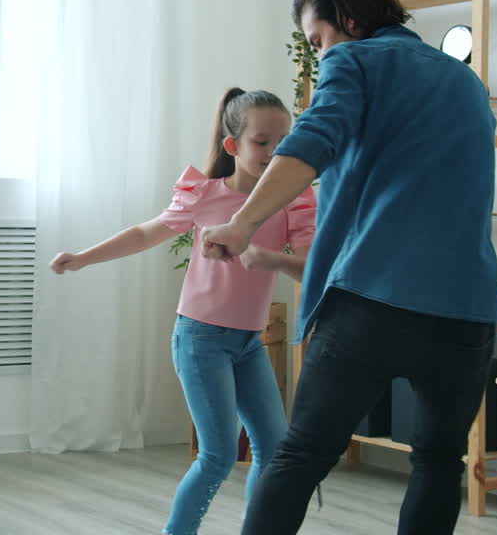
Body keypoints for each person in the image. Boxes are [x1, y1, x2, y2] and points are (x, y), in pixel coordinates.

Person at [201, 0, 497, 535]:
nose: (320, 54)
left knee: (301, 457)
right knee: (439, 463)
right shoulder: (466, 81)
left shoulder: (355, 59)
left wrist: (242, 223)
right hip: (468, 309)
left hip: (374, 298)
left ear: (349, 18)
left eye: (319, 39)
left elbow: (311, 142)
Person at [49, 87, 316, 535]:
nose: (274, 152)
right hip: (200, 339)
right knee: (218, 455)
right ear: (233, 146)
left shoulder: (294, 200)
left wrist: (268, 257)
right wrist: (81, 257)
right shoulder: (204, 195)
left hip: (249, 343)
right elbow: (144, 233)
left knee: (274, 450)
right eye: (261, 142)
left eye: (283, 142)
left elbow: (311, 266)